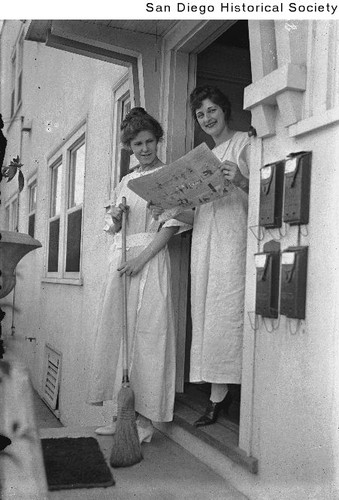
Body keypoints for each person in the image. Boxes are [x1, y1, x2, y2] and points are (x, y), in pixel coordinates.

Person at [87, 107, 190, 442]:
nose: (144, 148)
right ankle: (122, 415)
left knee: (148, 336)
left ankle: (144, 422)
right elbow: (112, 227)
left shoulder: (166, 177)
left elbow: (169, 228)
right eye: (136, 143)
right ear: (128, 147)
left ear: (157, 141)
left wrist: (141, 260)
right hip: (121, 261)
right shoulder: (126, 180)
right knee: (120, 337)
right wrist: (116, 216)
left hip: (149, 260)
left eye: (149, 141)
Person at [150, 86, 250, 426]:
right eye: (200, 114)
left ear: (225, 109)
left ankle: (228, 394)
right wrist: (171, 207)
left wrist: (243, 179)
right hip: (205, 242)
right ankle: (217, 393)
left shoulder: (245, 144)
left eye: (211, 110)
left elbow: (267, 192)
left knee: (227, 313)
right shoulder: (205, 157)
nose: (207, 118)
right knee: (208, 316)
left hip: (233, 240)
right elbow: (201, 214)